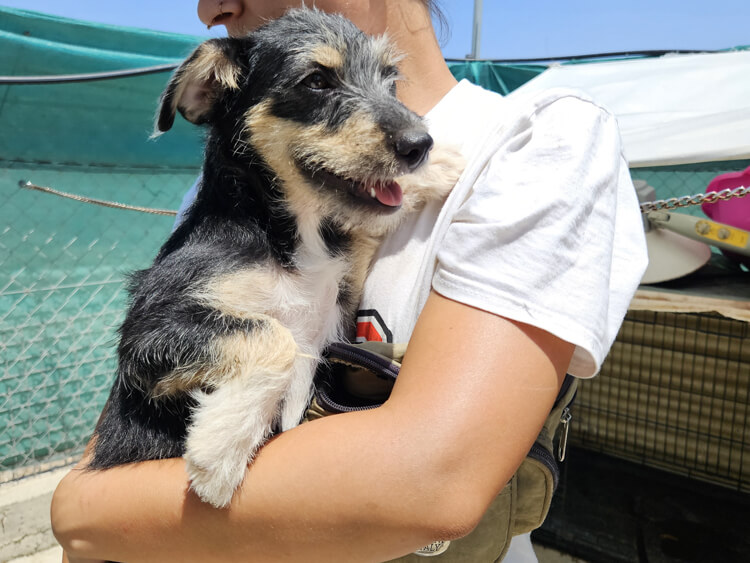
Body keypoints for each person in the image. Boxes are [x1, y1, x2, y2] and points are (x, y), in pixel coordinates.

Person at [50, 1, 648, 562]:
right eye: (317, 83)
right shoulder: (234, 200)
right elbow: (145, 363)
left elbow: (432, 483)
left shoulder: (540, 144)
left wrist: (82, 509)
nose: (211, 10)